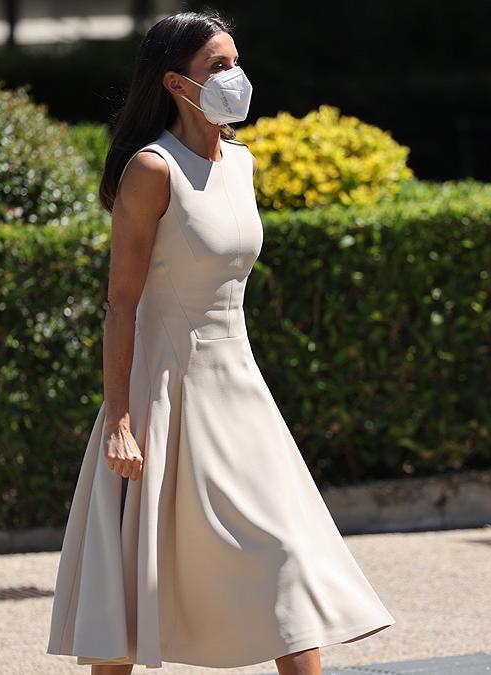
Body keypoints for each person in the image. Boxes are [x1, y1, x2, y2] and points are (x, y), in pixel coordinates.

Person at [45, 11, 395, 673]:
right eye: (218, 67)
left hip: (240, 389)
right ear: (177, 83)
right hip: (166, 390)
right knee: (132, 584)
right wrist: (118, 418)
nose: (234, 77)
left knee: (285, 559)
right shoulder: (151, 169)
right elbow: (122, 303)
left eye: (235, 61)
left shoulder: (242, 162)